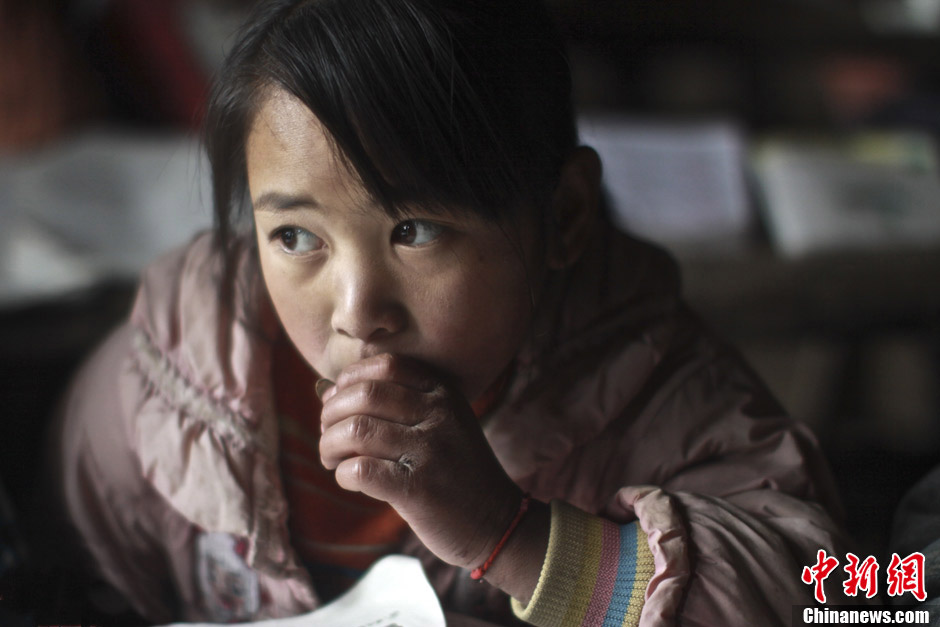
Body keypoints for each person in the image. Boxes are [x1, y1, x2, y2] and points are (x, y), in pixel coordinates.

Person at [50, 0, 858, 624]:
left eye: (416, 229)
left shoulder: (647, 381)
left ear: (565, 217)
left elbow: (813, 592)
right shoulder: (168, 385)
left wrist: (514, 534)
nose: (359, 311)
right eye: (296, 235)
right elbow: (83, 577)